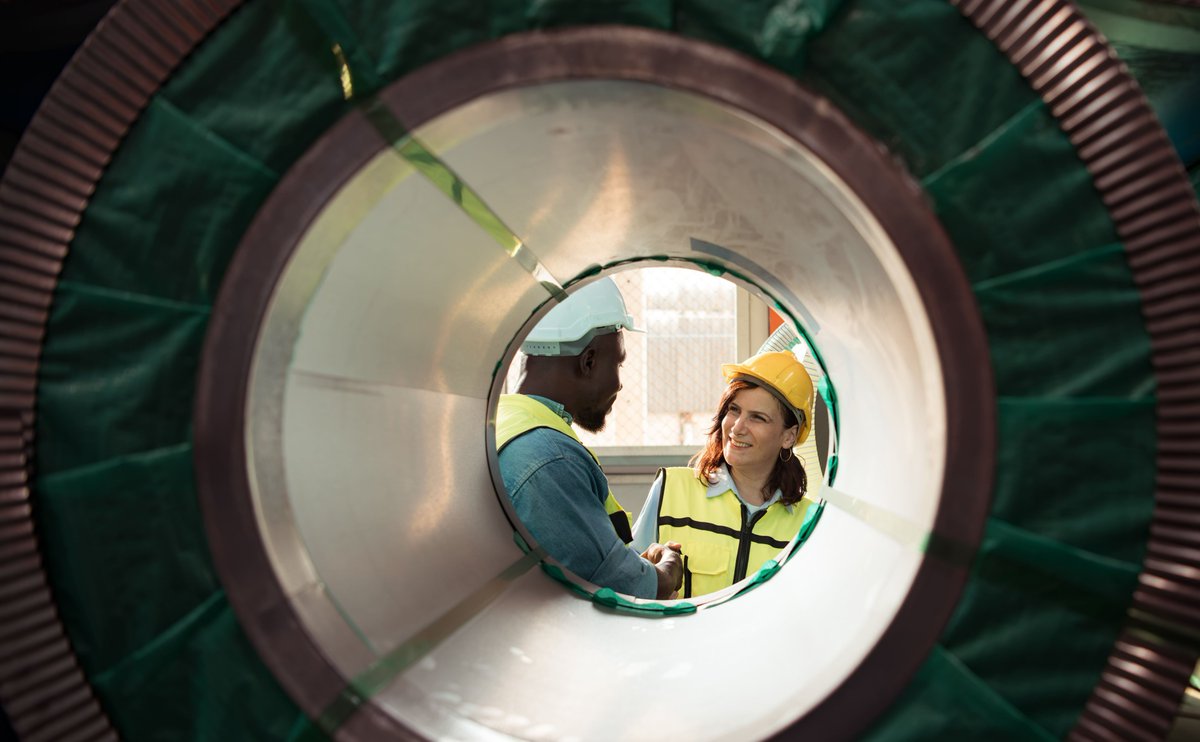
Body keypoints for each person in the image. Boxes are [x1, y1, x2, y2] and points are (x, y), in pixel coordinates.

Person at [497, 277, 683, 600]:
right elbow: (617, 584)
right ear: (589, 361)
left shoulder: (503, 423)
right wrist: (667, 573)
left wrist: (633, 563)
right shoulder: (549, 458)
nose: (620, 383)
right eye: (618, 363)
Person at [631, 350, 818, 599]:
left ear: (789, 436)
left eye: (758, 418)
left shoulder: (809, 525)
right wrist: (650, 580)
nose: (737, 427)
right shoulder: (670, 489)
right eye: (734, 410)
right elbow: (627, 584)